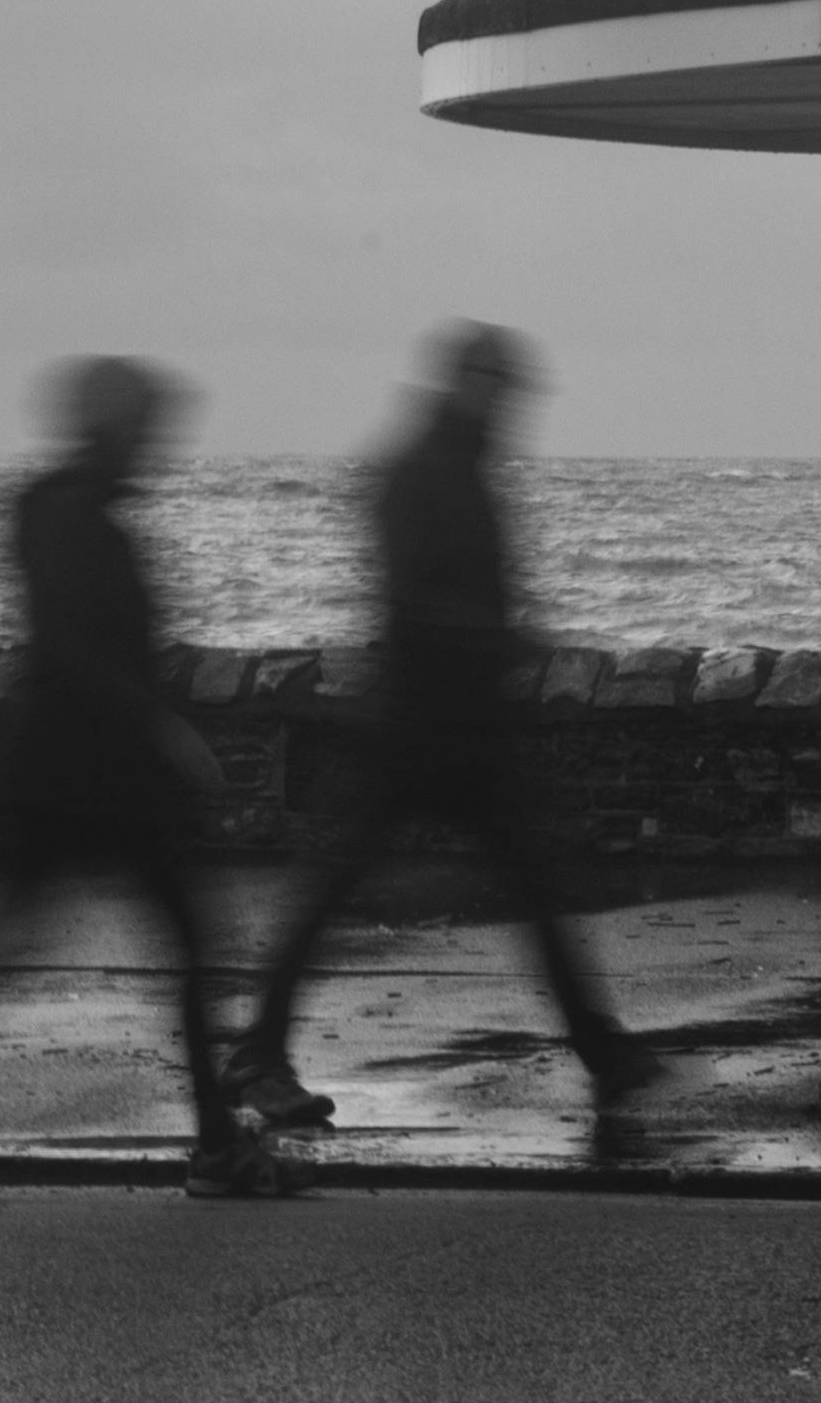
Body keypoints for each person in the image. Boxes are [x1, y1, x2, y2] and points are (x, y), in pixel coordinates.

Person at [0, 357, 295, 1199]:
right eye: (144, 427)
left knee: (18, 950)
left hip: (80, 778)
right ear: (109, 429)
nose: (155, 444)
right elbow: (75, 653)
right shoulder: (72, 520)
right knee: (167, 952)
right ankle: (217, 1149)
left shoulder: (70, 514)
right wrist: (164, 728)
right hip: (83, 780)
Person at [230, 323, 661, 1154]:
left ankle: (603, 1053)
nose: (509, 404)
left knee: (528, 887)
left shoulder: (460, 466)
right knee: (332, 894)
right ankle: (256, 1054)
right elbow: (410, 599)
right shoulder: (421, 471)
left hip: (464, 728)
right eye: (497, 385)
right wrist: (507, 641)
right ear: (465, 382)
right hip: (412, 726)